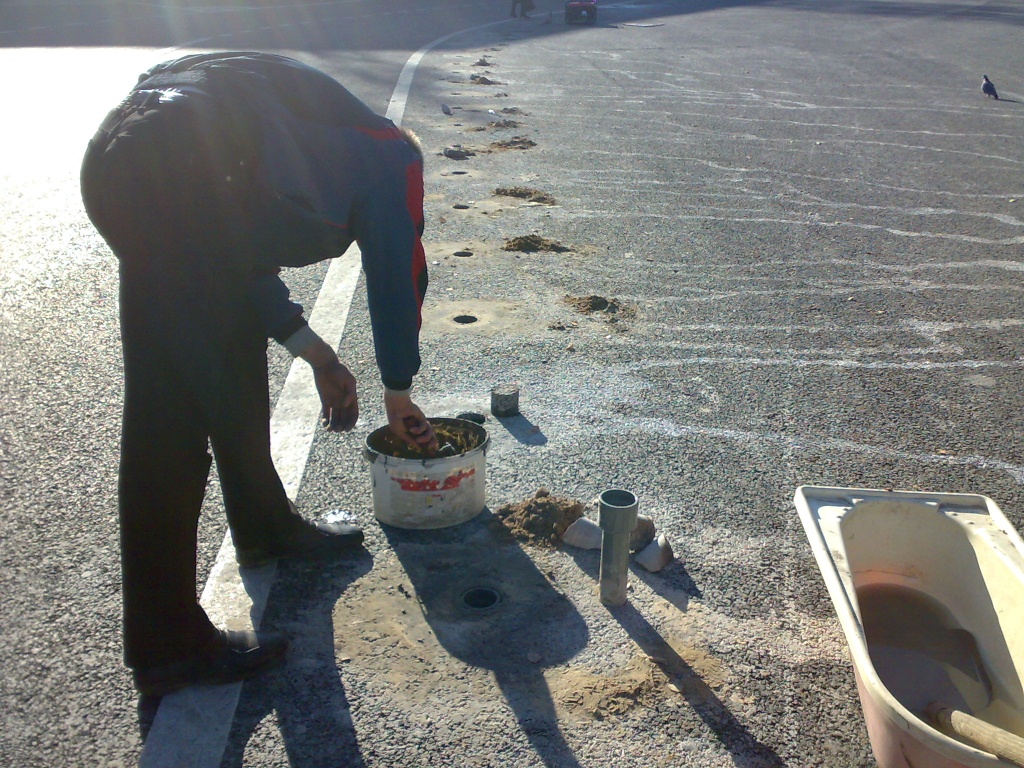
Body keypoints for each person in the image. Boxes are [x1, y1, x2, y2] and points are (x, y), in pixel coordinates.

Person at [80, 52, 439, 704]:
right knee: (171, 416)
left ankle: (265, 526)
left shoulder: (308, 135)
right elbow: (397, 269)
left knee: (224, 350)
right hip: (171, 170)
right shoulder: (393, 157)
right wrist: (399, 391)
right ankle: (167, 645)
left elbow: (237, 256)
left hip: (122, 159)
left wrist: (318, 355)